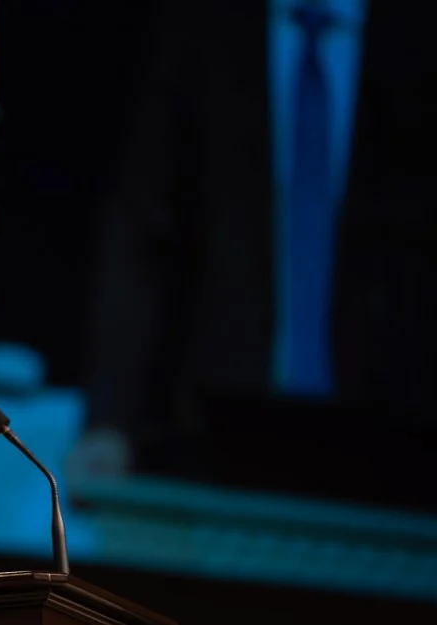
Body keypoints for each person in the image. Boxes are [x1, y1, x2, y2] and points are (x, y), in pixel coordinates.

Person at [67, 0, 437, 509]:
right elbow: (144, 235)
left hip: (394, 461)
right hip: (210, 441)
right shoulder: (205, 30)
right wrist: (110, 421)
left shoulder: (417, 41)